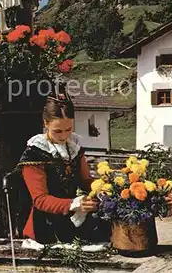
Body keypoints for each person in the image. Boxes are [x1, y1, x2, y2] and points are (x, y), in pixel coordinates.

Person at [15, 88, 110, 245]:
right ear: (45, 123)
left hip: (73, 217)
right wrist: (73, 203)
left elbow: (86, 180)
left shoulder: (73, 148)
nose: (64, 136)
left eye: (68, 129)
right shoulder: (35, 153)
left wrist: (103, 188)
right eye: (57, 131)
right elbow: (40, 200)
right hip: (45, 222)